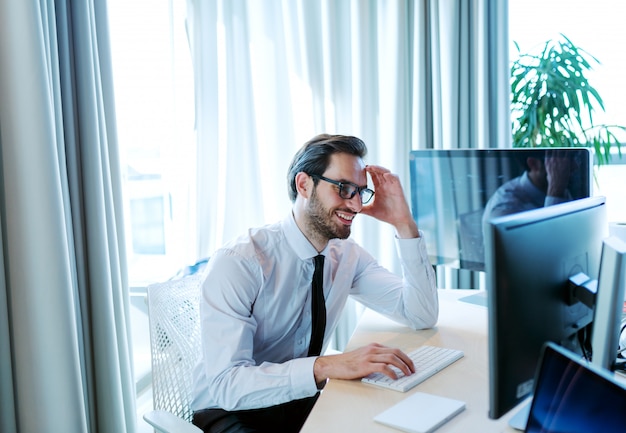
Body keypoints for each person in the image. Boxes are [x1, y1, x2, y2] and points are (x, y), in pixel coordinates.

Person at [191, 134, 438, 433]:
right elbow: (227, 386)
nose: (357, 205)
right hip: (232, 410)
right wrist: (329, 366)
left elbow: (420, 314)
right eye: (345, 188)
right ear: (304, 185)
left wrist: (404, 224)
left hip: (299, 399)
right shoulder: (241, 261)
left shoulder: (347, 256)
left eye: (361, 192)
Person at [482, 150, 576, 224]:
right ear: (534, 164)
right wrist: (555, 193)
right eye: (561, 160)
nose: (575, 166)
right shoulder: (505, 208)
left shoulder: (554, 184)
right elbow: (545, 245)